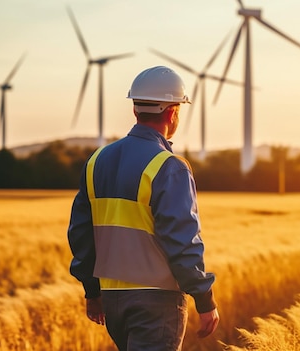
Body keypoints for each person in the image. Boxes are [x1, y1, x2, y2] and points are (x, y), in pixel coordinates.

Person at [67, 65, 219, 351]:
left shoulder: (96, 161)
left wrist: (92, 290)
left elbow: (80, 234)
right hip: (156, 302)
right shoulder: (169, 166)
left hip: (112, 302)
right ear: (173, 113)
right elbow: (181, 240)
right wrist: (204, 298)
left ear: (135, 110)